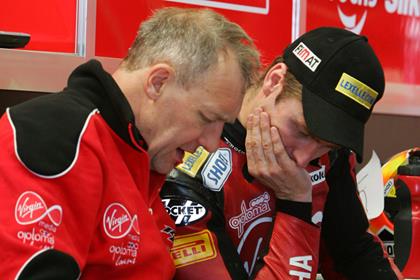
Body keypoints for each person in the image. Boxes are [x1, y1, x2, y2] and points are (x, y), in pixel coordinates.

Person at [0, 7, 260, 279]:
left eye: (222, 126)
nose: (211, 144)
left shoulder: (141, 156)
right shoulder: (56, 133)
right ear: (158, 82)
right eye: (206, 118)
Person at [161, 27, 404, 279]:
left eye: (327, 145)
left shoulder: (327, 156)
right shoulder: (188, 160)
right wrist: (296, 202)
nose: (303, 158)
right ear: (274, 80)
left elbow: (355, 253)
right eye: (301, 131)